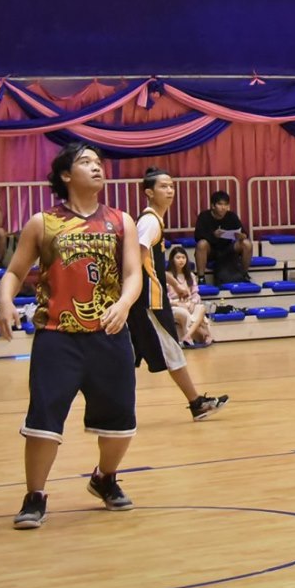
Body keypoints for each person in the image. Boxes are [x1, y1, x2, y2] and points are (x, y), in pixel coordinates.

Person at [0, 142, 142, 530]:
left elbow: (133, 274)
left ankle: (104, 478)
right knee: (44, 420)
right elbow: (14, 272)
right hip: (56, 336)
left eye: (98, 162)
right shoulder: (43, 223)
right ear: (65, 175)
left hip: (109, 334)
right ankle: (35, 495)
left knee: (120, 423)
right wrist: (5, 301)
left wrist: (124, 303)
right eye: (85, 162)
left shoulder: (121, 221)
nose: (96, 167)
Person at [129, 168, 229, 421]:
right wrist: (127, 293)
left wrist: (173, 281)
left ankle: (195, 403)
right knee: (171, 350)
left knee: (132, 354)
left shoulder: (154, 220)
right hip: (147, 299)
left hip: (148, 297)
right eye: (163, 186)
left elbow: (150, 262)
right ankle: (196, 404)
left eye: (172, 186)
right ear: (149, 192)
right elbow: (135, 258)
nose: (170, 190)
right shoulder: (150, 221)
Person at [192, 191, 251, 285]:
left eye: (226, 205)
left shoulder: (232, 216)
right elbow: (197, 236)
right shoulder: (204, 216)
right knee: (201, 244)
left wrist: (241, 236)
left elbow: (244, 233)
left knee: (246, 243)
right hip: (211, 250)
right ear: (213, 206)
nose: (223, 207)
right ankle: (201, 278)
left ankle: (244, 274)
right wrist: (213, 235)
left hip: (228, 248)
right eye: (220, 204)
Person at [166, 245, 211, 345]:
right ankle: (204, 334)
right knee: (184, 313)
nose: (181, 260)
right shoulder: (168, 276)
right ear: (172, 260)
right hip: (174, 305)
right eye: (178, 258)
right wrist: (177, 304)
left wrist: (193, 303)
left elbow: (195, 294)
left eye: (183, 257)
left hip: (189, 303)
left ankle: (188, 335)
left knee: (202, 308)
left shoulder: (190, 275)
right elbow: (165, 297)